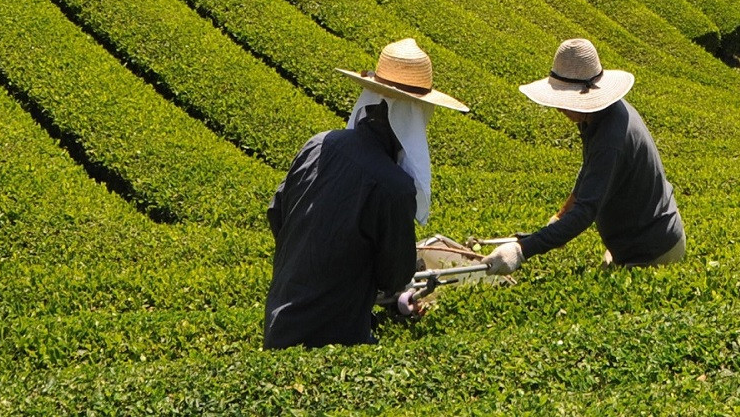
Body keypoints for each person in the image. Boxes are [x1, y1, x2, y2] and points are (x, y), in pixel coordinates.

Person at [264, 38, 469, 349]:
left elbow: (277, 214)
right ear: (412, 117)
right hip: (335, 340)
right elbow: (394, 275)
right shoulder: (394, 187)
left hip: (278, 321)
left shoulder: (317, 144)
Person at [484, 37, 683, 276]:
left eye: (564, 101)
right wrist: (562, 214)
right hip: (634, 242)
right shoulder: (598, 117)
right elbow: (591, 170)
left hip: (650, 252)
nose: (559, 108)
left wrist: (523, 249)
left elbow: (586, 212)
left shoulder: (610, 138)